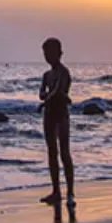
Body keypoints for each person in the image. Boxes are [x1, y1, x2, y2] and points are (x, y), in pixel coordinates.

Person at [39, 37, 75, 207]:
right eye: (45, 53)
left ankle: (70, 192)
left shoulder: (64, 72)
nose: (48, 56)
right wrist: (46, 99)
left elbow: (58, 90)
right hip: (49, 115)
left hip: (61, 115)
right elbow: (42, 93)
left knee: (64, 153)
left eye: (51, 52)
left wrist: (47, 99)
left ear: (59, 53)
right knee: (52, 153)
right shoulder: (46, 75)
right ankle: (56, 191)